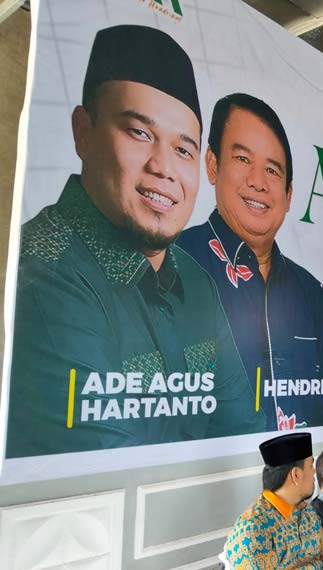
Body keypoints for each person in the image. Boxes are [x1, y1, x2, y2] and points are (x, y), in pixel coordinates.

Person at [7, 25, 262, 459]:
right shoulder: (47, 271)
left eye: (184, 150)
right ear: (83, 132)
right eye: (139, 133)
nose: (163, 168)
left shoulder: (196, 282)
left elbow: (243, 430)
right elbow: (104, 472)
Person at [178, 93, 323, 430]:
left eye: (273, 170)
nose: (258, 182)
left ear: (288, 196)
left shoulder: (309, 291)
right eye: (243, 159)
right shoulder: (171, 264)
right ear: (213, 164)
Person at [224, 432, 323, 570]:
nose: (314, 473)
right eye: (311, 466)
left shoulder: (307, 513)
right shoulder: (253, 529)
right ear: (296, 475)